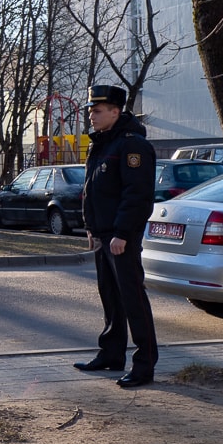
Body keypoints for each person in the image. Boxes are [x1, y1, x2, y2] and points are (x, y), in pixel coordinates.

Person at [73, 85, 158, 388]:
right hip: (102, 235)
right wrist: (91, 227)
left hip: (121, 237)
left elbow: (137, 195)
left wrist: (122, 233)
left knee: (133, 299)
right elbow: (93, 190)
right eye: (90, 111)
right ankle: (111, 353)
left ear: (115, 111)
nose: (91, 116)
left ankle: (144, 365)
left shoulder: (131, 145)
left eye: (97, 111)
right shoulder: (102, 144)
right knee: (110, 297)